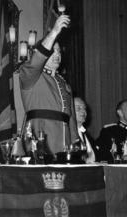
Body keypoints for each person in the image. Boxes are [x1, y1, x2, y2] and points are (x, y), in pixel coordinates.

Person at [18, 15, 79, 157]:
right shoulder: (30, 75)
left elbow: (71, 120)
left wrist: (75, 143)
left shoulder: (64, 83)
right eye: (53, 51)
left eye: (59, 51)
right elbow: (36, 61)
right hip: (40, 136)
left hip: (65, 142)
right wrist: (55, 31)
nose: (57, 54)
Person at [74, 97, 96, 163]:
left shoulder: (86, 134)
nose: (83, 111)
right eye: (78, 108)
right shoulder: (67, 134)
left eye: (84, 108)